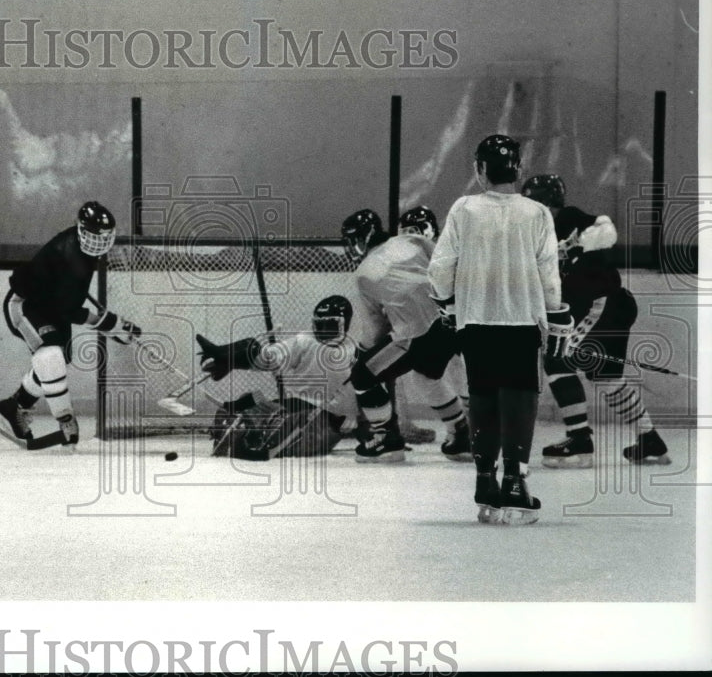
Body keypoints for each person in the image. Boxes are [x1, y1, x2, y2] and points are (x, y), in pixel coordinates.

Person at [429, 135, 573, 526]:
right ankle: (514, 482)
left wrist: (448, 304)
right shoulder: (537, 213)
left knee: (484, 400)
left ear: (480, 169)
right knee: (519, 401)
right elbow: (549, 274)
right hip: (521, 322)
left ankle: (484, 482)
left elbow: (441, 268)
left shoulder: (464, 208)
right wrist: (555, 314)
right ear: (518, 169)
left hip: (474, 321)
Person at [521, 174, 670, 466]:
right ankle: (650, 439)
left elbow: (607, 230)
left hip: (603, 304)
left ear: (543, 203)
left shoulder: (566, 218)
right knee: (606, 376)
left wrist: (576, 245)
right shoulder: (537, 237)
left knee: (557, 360)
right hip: (612, 306)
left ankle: (579, 442)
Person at [0, 201, 140, 446]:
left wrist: (110, 324)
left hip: (52, 308)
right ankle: (65, 420)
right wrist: (111, 324)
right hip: (26, 305)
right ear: (81, 230)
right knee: (51, 357)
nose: (99, 243)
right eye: (95, 237)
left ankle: (16, 405)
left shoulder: (83, 252)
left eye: (104, 237)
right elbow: (70, 309)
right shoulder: (68, 253)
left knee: (59, 362)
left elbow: (67, 302)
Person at [340, 208, 471, 463]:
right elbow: (447, 264)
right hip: (455, 316)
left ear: (360, 239)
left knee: (362, 375)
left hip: (418, 331)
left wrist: (362, 355)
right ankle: (461, 435)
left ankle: (386, 439)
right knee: (427, 375)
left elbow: (375, 332)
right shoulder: (410, 240)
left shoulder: (364, 273)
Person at [195, 295, 358, 460]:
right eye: (319, 325)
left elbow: (361, 389)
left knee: (284, 422)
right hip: (299, 404)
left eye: (329, 325)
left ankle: (259, 439)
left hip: (327, 416)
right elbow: (269, 358)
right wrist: (231, 359)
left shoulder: (355, 351)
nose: (323, 331)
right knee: (247, 400)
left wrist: (356, 418)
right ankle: (219, 353)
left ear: (345, 323)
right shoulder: (305, 340)